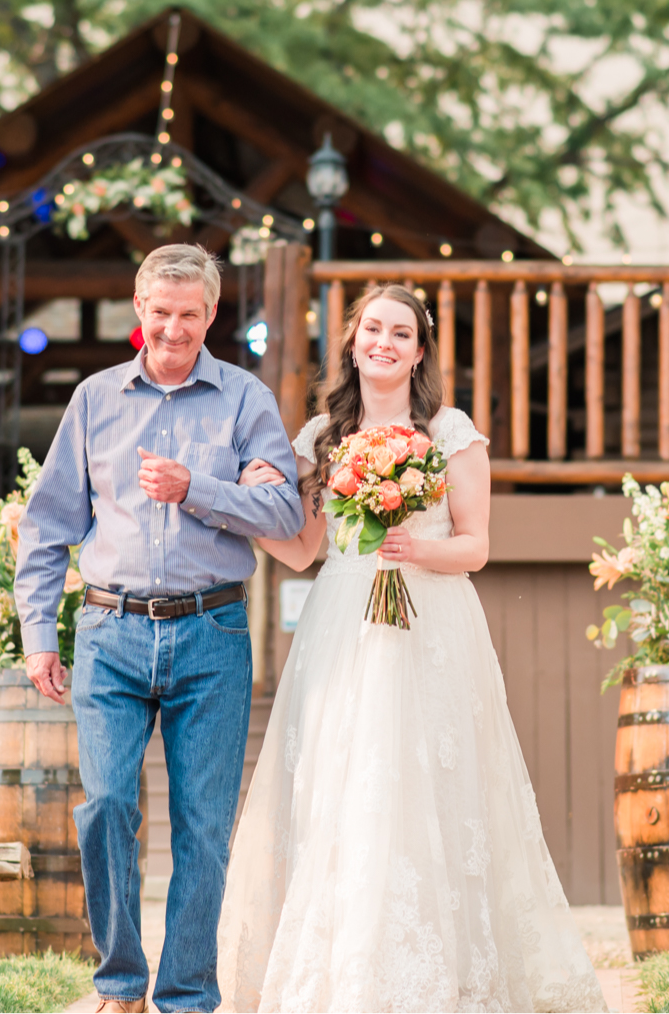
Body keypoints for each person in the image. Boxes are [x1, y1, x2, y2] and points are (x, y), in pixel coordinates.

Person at [217, 284, 604, 1013]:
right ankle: (345, 972)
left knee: (424, 782)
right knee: (343, 779)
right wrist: (236, 514)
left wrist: (413, 549)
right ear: (353, 341)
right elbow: (302, 551)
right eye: (373, 329)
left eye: (401, 333)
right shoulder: (318, 437)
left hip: (429, 618)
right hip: (342, 619)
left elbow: (476, 547)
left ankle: (442, 974)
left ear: (419, 350)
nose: (385, 342)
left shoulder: (449, 430)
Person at [15, 244, 304, 1014]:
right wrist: (39, 632)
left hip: (212, 634)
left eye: (189, 314)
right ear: (139, 312)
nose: (173, 328)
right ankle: (119, 982)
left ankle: (184, 995)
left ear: (211, 316)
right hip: (110, 631)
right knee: (106, 807)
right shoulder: (95, 400)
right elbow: (46, 528)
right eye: (160, 312)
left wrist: (198, 489)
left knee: (203, 829)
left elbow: (285, 512)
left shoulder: (246, 400)